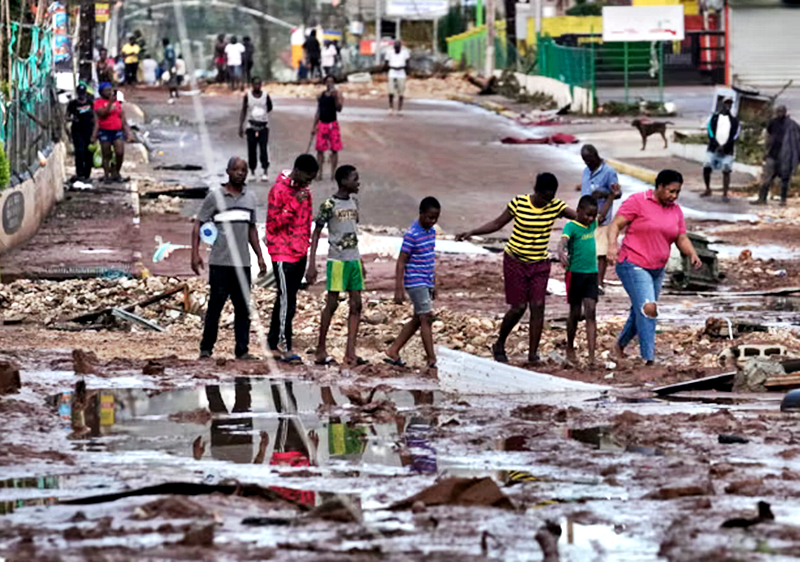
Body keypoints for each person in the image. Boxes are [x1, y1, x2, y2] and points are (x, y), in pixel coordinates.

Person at [456, 173, 577, 364]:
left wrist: (596, 212)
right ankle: (499, 343)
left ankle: (533, 355)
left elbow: (580, 217)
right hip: (515, 261)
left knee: (538, 306)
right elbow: (497, 223)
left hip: (540, 263)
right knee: (519, 307)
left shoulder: (556, 206)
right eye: (544, 197)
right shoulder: (519, 203)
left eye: (551, 197)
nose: (547, 201)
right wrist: (472, 232)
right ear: (536, 191)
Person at [607, 169, 701, 365]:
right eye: (671, 191)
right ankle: (648, 358)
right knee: (648, 308)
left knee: (640, 310)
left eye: (677, 192)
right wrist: (612, 246)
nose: (674, 196)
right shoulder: (638, 201)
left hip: (657, 269)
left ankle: (619, 346)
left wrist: (692, 254)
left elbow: (681, 237)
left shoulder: (675, 210)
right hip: (633, 263)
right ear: (659, 187)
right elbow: (616, 224)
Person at [192, 157, 266, 360]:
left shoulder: (250, 198)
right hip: (220, 262)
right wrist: (195, 253)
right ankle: (206, 349)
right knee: (215, 307)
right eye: (236, 169)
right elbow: (198, 224)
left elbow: (251, 229)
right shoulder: (215, 197)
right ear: (228, 171)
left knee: (243, 309)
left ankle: (242, 350)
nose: (240, 173)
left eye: (243, 170)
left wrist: (260, 256)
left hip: (242, 263)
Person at [307, 165, 365, 367]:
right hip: (337, 261)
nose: (358, 183)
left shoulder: (354, 203)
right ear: (343, 181)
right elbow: (316, 233)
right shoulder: (329, 205)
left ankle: (350, 353)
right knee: (332, 304)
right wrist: (311, 263)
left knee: (356, 304)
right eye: (354, 179)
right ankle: (320, 350)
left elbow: (353, 233)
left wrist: (361, 261)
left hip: (353, 260)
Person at [266, 154, 320, 362]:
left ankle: (273, 343)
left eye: (311, 180)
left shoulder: (305, 191)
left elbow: (306, 222)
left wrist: (306, 251)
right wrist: (293, 204)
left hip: (299, 252)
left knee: (288, 299)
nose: (308, 183)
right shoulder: (278, 190)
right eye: (307, 178)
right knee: (286, 300)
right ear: (296, 171)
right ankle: (284, 346)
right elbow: (273, 224)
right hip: (282, 252)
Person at [385, 197, 441, 372]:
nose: (432, 221)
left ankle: (393, 350)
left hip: (426, 280)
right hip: (415, 281)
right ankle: (431, 359)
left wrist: (433, 282)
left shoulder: (431, 232)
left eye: (435, 218)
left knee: (418, 319)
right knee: (426, 317)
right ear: (421, 214)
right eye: (430, 217)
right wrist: (398, 288)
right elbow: (401, 261)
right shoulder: (412, 234)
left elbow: (429, 258)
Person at [558, 194, 615, 368]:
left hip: (591, 275)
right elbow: (563, 241)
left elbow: (603, 213)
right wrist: (561, 252)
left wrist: (611, 197)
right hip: (575, 274)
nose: (590, 219)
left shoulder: (593, 225)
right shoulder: (571, 226)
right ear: (578, 211)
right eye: (587, 215)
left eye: (592, 216)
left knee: (591, 311)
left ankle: (591, 357)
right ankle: (570, 348)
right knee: (575, 313)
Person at [579, 144, 621, 293]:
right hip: (585, 217)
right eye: (585, 161)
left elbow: (617, 193)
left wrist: (603, 194)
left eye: (589, 160)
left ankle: (599, 284)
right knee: (586, 250)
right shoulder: (586, 171)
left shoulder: (609, 172)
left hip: (602, 216)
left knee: (601, 252)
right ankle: (587, 281)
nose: (587, 163)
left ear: (596, 156)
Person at [755, 105, 800, 206]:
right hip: (772, 154)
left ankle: (783, 200)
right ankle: (762, 198)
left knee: (785, 179)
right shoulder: (772, 123)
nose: (780, 113)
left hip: (786, 156)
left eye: (782, 111)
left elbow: (797, 142)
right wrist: (766, 150)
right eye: (778, 111)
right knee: (767, 177)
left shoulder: (792, 125)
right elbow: (768, 136)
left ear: (785, 112)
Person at [91, 83, 131, 183]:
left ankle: (116, 172)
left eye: (110, 90)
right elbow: (102, 114)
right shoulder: (98, 103)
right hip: (105, 130)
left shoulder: (117, 103)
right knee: (106, 153)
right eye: (106, 90)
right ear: (101, 92)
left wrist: (127, 131)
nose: (109, 92)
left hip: (117, 131)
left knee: (119, 152)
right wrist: (109, 104)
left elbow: (122, 117)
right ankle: (106, 175)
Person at [702, 97, 740, 201]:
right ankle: (707, 189)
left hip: (727, 150)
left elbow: (735, 135)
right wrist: (716, 144)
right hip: (713, 148)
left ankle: (725, 194)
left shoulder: (734, 120)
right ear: (721, 105)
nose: (728, 106)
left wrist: (725, 146)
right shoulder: (714, 118)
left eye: (730, 104)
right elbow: (710, 131)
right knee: (706, 167)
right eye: (726, 104)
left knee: (726, 170)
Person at [239, 76, 273, 182]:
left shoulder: (266, 96)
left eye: (259, 84)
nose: (257, 86)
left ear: (261, 85)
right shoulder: (247, 96)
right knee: (251, 150)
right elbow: (244, 110)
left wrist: (261, 114)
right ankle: (252, 171)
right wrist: (241, 125)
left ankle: (265, 171)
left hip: (263, 127)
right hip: (251, 126)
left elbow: (270, 107)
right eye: (255, 84)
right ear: (252, 85)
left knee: (263, 149)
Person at [313, 75, 343, 181]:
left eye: (332, 81)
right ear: (325, 83)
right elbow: (318, 111)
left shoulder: (337, 94)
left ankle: (333, 174)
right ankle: (319, 173)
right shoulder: (321, 95)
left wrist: (336, 98)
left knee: (334, 149)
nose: (330, 83)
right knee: (319, 150)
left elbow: (339, 109)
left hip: (333, 124)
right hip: (322, 124)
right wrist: (314, 126)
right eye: (328, 81)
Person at [66, 84, 95, 183]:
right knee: (79, 151)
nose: (82, 95)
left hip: (89, 130)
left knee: (89, 153)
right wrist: (73, 119)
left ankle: (87, 174)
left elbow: (94, 116)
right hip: (77, 130)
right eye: (80, 93)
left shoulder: (90, 102)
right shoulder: (73, 104)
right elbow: (67, 116)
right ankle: (80, 173)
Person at [387, 40, 410, 116]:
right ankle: (391, 108)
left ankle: (400, 109)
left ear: (400, 47)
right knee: (391, 91)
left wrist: (408, 72)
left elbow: (407, 62)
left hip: (401, 72)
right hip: (392, 71)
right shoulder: (389, 52)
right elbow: (386, 62)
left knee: (401, 92)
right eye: (395, 47)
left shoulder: (405, 52)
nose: (397, 49)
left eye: (398, 48)